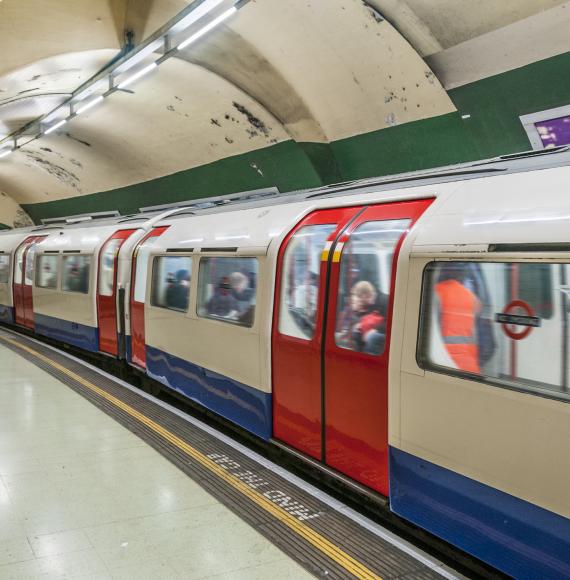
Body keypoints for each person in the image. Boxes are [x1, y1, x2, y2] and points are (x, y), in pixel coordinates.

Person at [435, 263, 481, 374]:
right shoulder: (473, 298)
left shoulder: (434, 293)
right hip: (469, 366)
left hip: (442, 364)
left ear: (442, 273)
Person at [336, 280, 386, 355]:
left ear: (364, 297)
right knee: (355, 333)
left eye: (354, 300)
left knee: (372, 337)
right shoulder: (363, 309)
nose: (352, 302)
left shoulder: (384, 301)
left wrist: (376, 330)